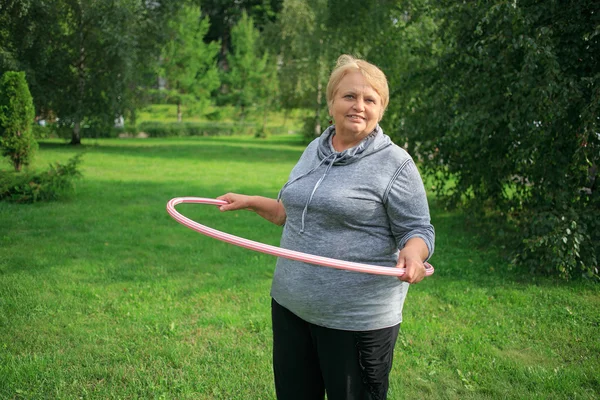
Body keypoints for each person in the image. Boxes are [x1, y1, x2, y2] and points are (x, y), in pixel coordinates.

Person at [217, 54, 435, 400]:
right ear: (331, 101)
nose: (358, 106)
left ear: (381, 109)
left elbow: (419, 229)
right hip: (291, 305)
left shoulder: (395, 163)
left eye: (370, 99)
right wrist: (252, 201)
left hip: (354, 319)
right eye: (349, 96)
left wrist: (412, 253)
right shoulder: (314, 149)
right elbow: (287, 212)